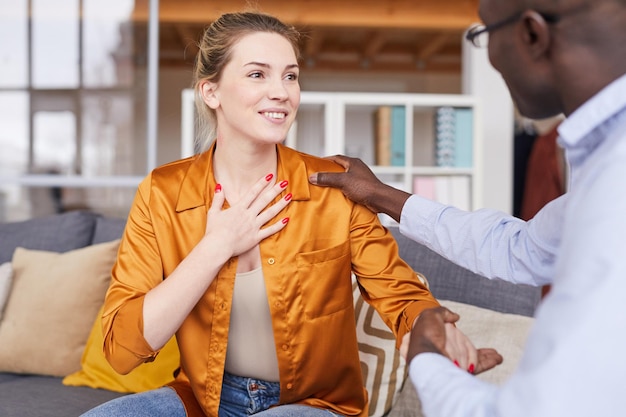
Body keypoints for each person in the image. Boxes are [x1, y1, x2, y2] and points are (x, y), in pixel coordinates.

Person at [81, 11, 484, 417]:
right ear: (211, 92)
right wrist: (216, 246)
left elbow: (399, 293)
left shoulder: (335, 189)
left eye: (290, 76)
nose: (282, 92)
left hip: (310, 404)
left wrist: (434, 327)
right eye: (258, 74)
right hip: (204, 400)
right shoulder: (162, 193)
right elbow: (121, 350)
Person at [309, 0, 626, 415]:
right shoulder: (602, 161)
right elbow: (519, 247)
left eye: (484, 34)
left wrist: (425, 357)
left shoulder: (613, 184)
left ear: (531, 34)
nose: (490, 58)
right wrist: (379, 194)